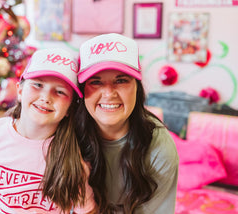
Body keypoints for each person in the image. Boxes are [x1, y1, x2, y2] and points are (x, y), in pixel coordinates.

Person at [0, 48, 96, 214]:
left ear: (69, 109)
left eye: (60, 91)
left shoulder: (72, 160)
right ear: (20, 91)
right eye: (38, 85)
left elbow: (87, 211)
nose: (46, 97)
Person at [75, 33, 179, 214]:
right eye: (96, 81)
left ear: (137, 88)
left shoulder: (159, 147)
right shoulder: (66, 135)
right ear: (83, 90)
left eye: (121, 80)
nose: (108, 93)